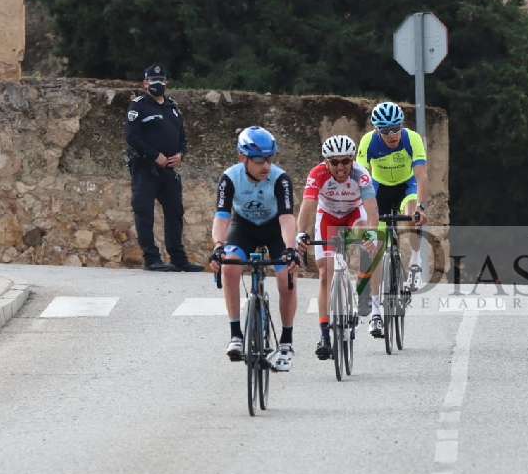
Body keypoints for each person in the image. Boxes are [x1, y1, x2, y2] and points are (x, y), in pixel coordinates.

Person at [207, 126, 300, 372]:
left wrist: (290, 248)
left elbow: (287, 218)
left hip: (274, 229)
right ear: (243, 158)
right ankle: (236, 334)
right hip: (244, 227)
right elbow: (222, 217)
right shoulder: (230, 177)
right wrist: (218, 247)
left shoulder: (281, 179)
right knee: (228, 268)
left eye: (270, 158)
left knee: (286, 275)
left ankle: (286, 342)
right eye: (259, 160)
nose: (266, 165)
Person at [294, 135, 380, 360]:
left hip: (354, 214)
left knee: (368, 242)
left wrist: (371, 232)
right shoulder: (318, 174)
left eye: (345, 161)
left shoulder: (361, 175)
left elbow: (371, 206)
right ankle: (324, 335)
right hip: (328, 218)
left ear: (352, 160)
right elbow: (308, 205)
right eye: (335, 162)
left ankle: (362, 295)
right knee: (324, 274)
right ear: (327, 162)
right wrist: (301, 233)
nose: (341, 167)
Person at [356, 101, 429, 338]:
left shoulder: (412, 139)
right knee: (375, 247)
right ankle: (376, 313)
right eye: (385, 130)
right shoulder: (368, 142)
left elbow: (421, 175)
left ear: (402, 125)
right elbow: (359, 179)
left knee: (411, 217)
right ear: (377, 130)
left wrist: (420, 206)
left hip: (407, 185)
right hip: (377, 188)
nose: (392, 134)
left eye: (395, 128)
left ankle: (416, 263)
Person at [124, 63, 204, 273]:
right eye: (152, 80)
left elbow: (182, 137)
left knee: (175, 211)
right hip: (145, 168)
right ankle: (151, 258)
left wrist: (180, 154)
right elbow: (132, 137)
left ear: (166, 82)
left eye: (160, 80)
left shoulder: (172, 107)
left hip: (169, 169)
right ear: (145, 83)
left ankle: (178, 258)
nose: (157, 84)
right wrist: (154, 155)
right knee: (144, 212)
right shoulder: (138, 106)